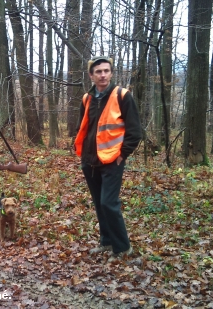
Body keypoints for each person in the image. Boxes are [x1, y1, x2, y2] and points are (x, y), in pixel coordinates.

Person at [74, 56, 142, 262]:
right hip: (90, 161)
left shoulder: (122, 96)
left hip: (113, 160)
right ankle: (107, 241)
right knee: (99, 203)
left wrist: (122, 155)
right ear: (91, 75)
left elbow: (135, 131)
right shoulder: (87, 98)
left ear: (111, 73)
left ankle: (123, 248)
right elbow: (83, 128)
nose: (103, 75)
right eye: (98, 71)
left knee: (108, 202)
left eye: (106, 71)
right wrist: (84, 156)